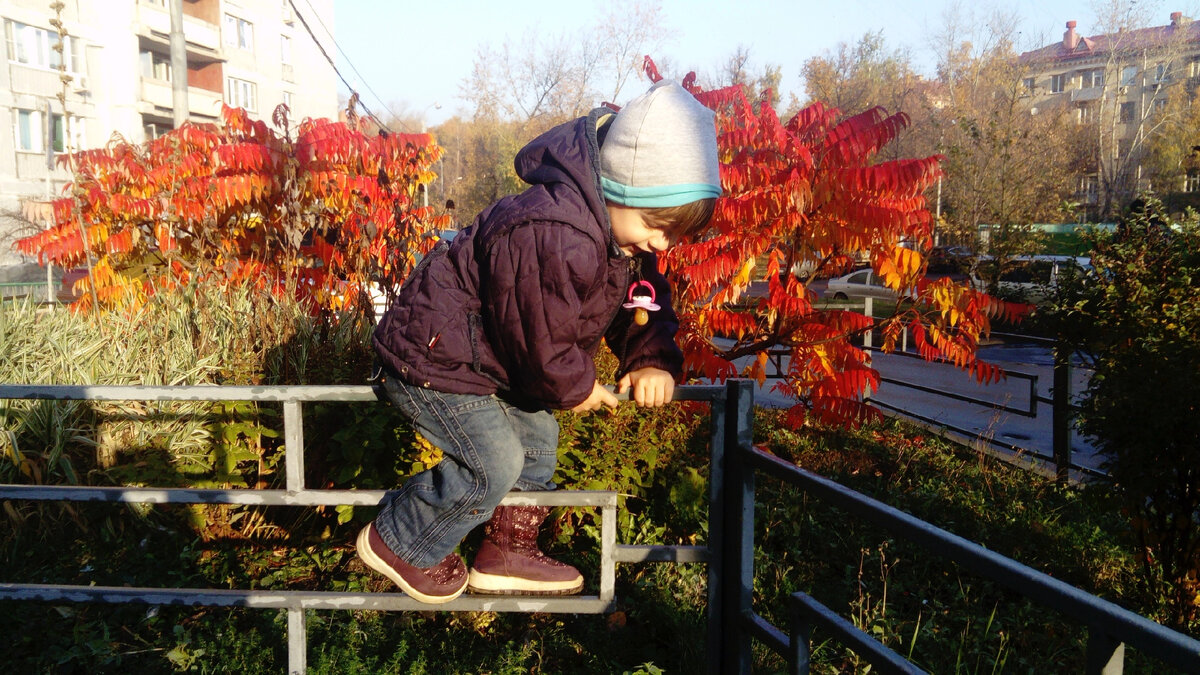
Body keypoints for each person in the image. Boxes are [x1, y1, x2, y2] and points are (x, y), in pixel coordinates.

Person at [356, 80, 722, 604]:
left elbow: (640, 304)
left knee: (535, 440)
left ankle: (506, 551)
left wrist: (652, 359)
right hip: (433, 357)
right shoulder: (555, 229)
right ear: (620, 188)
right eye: (657, 225)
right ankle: (401, 540)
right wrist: (577, 386)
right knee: (494, 461)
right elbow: (536, 332)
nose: (661, 244)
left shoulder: (619, 239)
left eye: (675, 235)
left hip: (489, 359)